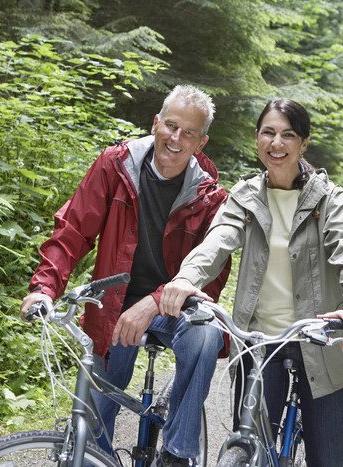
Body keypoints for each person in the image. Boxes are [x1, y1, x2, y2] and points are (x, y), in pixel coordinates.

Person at [20, 85, 231, 467]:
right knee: (92, 430)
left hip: (173, 310)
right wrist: (44, 288)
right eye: (170, 125)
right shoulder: (115, 166)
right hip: (112, 310)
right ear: (155, 123)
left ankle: (177, 454)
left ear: (201, 143)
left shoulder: (211, 197)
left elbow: (210, 279)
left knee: (207, 333)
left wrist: (154, 304)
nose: (175, 138)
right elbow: (73, 231)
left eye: (188, 133)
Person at [160, 98, 343, 466]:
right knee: (251, 451)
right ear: (257, 138)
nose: (277, 144)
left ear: (304, 143)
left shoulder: (329, 199)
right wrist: (185, 278)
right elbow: (216, 242)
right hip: (259, 346)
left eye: (288, 135)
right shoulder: (245, 197)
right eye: (268, 133)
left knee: (327, 458)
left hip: (323, 347)